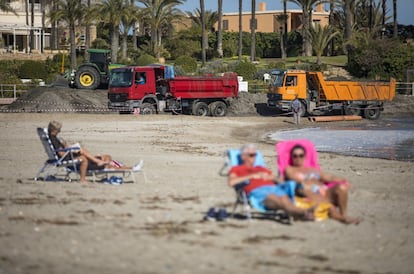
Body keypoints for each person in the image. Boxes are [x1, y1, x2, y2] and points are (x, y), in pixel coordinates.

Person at [228, 144, 314, 221]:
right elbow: (231, 182)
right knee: (277, 200)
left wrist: (273, 177)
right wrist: (252, 176)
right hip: (259, 191)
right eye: (251, 155)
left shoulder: (261, 168)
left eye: (255, 155)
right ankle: (303, 212)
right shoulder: (237, 169)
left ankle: (299, 212)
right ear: (243, 156)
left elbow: (281, 181)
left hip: (274, 188)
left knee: (285, 199)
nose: (254, 157)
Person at [284, 144, 360, 224]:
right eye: (295, 156)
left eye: (301, 155)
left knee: (341, 188)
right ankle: (342, 219)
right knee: (305, 187)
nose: (298, 158)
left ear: (305, 156)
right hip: (309, 195)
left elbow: (330, 177)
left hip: (326, 193)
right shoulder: (290, 170)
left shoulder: (312, 169)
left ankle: (344, 215)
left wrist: (345, 181)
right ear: (292, 157)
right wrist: (309, 181)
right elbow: (295, 180)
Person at [47, 121, 143, 184]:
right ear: (54, 130)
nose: (60, 131)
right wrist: (72, 150)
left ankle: (132, 167)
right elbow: (61, 154)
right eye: (58, 130)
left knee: (106, 157)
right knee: (106, 164)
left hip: (74, 159)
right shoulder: (54, 140)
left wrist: (67, 146)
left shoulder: (54, 139)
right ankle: (132, 168)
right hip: (74, 160)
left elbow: (61, 151)